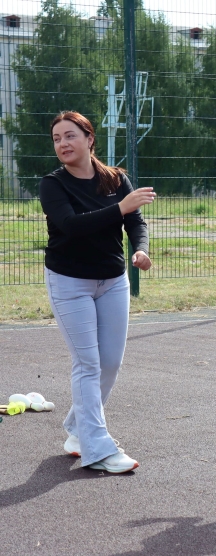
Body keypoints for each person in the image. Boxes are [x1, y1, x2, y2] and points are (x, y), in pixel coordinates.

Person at [40, 111, 155, 473]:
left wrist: (141, 248)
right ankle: (98, 449)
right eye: (57, 138)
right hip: (69, 282)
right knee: (87, 364)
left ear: (90, 139)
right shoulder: (53, 184)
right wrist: (120, 208)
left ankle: (77, 429)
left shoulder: (116, 179)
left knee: (110, 363)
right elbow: (71, 226)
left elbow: (135, 220)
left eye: (70, 135)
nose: (62, 143)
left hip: (112, 281)